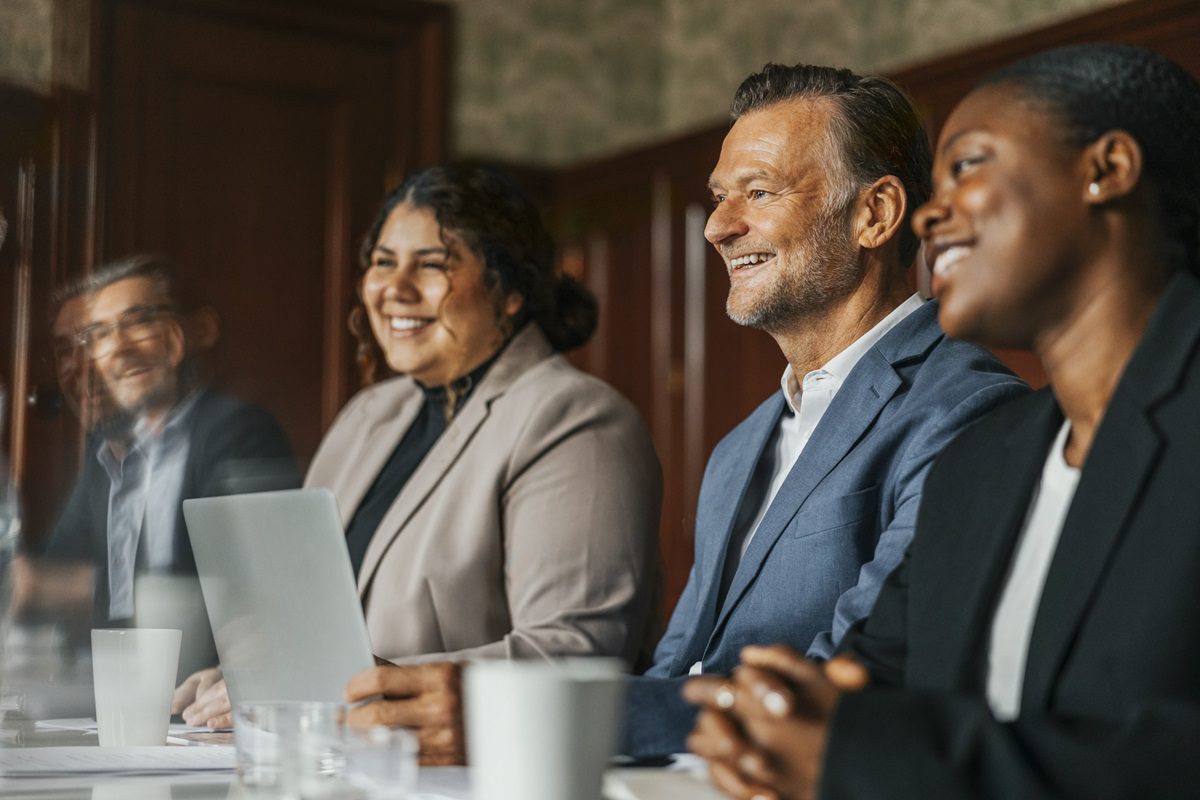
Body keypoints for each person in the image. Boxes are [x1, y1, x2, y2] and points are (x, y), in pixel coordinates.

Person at [686, 43, 1200, 800]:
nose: (930, 214)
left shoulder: (965, 416)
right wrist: (771, 719)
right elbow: (868, 684)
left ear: (1106, 170)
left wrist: (861, 756)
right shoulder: (987, 461)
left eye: (969, 166)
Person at [178, 165, 663, 762]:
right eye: (383, 262)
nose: (395, 288)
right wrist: (252, 677)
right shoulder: (369, 413)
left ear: (510, 289)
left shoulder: (577, 417)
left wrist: (343, 690)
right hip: (329, 758)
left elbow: (575, 651)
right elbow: (309, 623)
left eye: (432, 265)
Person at [614, 63, 1027, 758]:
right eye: (718, 198)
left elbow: (850, 685)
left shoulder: (970, 410)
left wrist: (536, 713)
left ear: (876, 214)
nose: (718, 226)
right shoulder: (739, 447)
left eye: (758, 192)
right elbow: (678, 668)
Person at [28, 254, 298, 629]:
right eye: (99, 336)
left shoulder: (238, 430)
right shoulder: (104, 455)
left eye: (138, 322)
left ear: (198, 331)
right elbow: (53, 571)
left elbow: (254, 592)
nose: (103, 356)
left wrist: (74, 591)